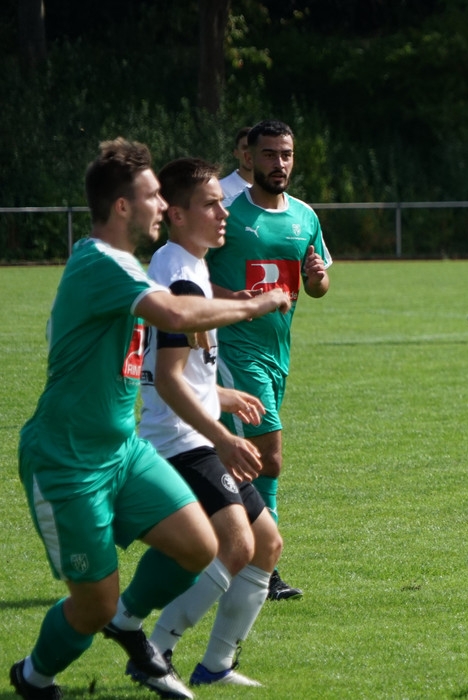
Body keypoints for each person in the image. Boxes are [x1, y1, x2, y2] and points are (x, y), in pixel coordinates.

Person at [9, 139, 290, 700]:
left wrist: (221, 400)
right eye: (152, 196)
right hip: (69, 459)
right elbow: (176, 315)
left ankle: (141, 638)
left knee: (199, 545)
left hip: (123, 451)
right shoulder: (101, 264)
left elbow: (156, 356)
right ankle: (34, 676)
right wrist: (257, 304)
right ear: (121, 206)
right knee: (95, 604)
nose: (162, 205)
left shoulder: (130, 266)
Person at [122, 157, 284, 696]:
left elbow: (178, 376)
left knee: (266, 546)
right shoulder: (177, 277)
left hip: (196, 433)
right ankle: (156, 652)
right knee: (235, 543)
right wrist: (223, 435)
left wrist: (223, 394)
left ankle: (215, 664)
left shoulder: (186, 267)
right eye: (211, 204)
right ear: (176, 214)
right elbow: (167, 382)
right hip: (180, 443)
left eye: (221, 201)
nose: (223, 213)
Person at [206, 119, 332, 601]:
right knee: (269, 459)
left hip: (279, 355)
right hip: (235, 352)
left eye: (286, 155)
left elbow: (317, 287)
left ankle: (233, 552)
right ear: (248, 158)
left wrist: (318, 276)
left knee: (245, 461)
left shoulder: (304, 216)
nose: (279, 164)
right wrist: (235, 299)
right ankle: (260, 564)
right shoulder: (229, 215)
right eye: (269, 155)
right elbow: (190, 279)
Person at [219, 126, 253, 206]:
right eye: (245, 148)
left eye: (253, 148)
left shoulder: (271, 189)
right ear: (236, 153)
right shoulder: (220, 189)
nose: (249, 153)